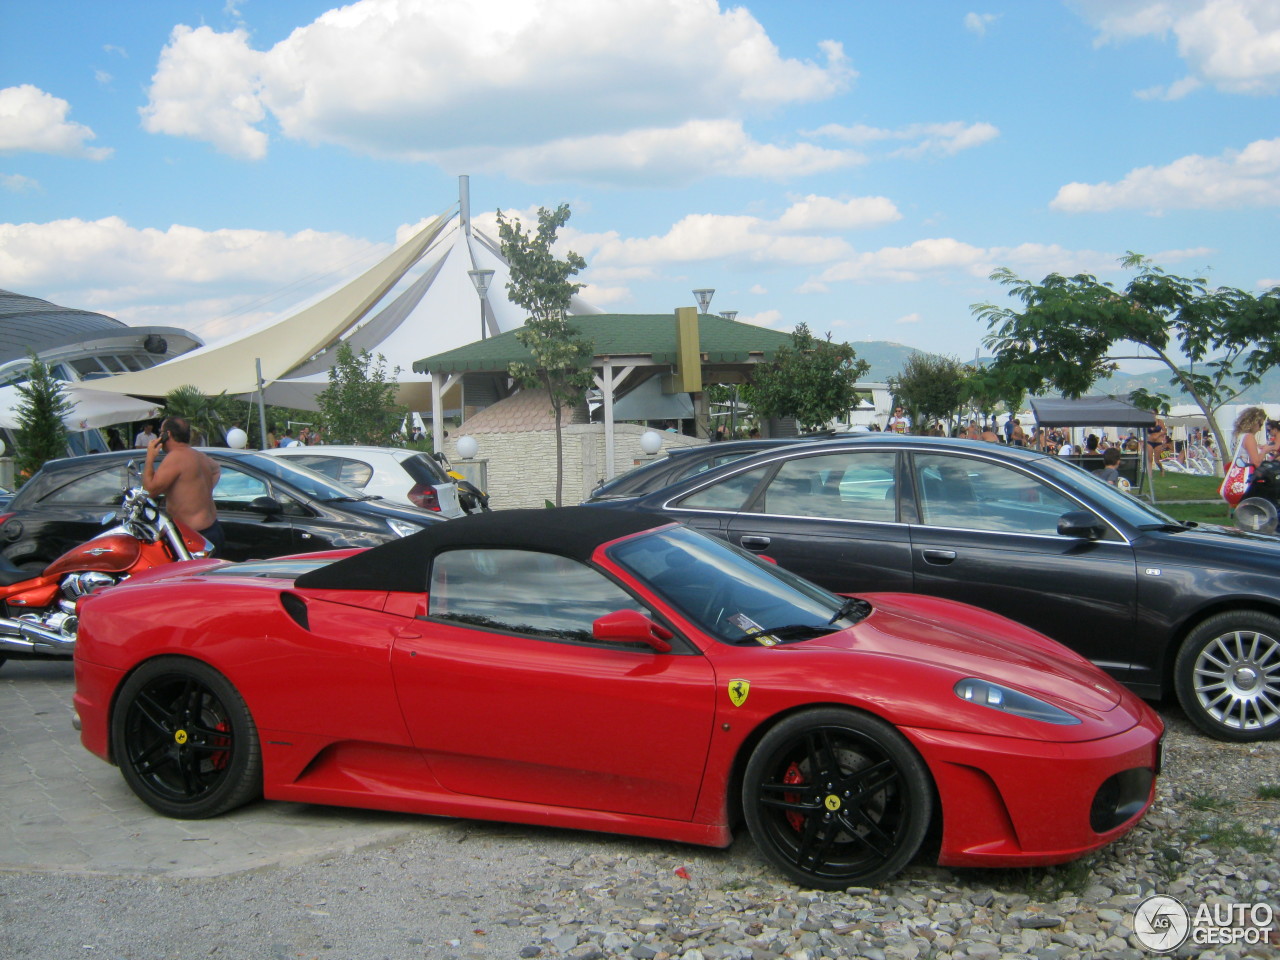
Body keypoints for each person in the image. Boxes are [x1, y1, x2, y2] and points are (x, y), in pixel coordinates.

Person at [143, 416, 224, 555]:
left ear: (167, 434)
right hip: (213, 528)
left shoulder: (176, 457)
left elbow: (149, 491)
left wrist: (150, 457)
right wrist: (201, 491)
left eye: (160, 432)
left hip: (196, 536)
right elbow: (216, 469)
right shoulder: (199, 456)